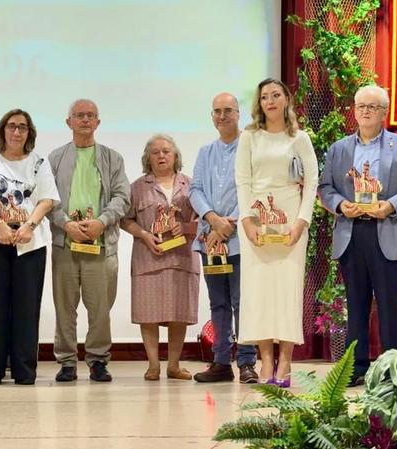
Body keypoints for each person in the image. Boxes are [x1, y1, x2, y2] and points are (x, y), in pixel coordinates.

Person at [322, 84, 397, 386]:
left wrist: (391, 205)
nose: (365, 111)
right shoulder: (339, 148)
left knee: (388, 303)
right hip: (352, 232)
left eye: (372, 107)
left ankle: (392, 368)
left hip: (387, 229)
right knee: (355, 304)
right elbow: (326, 188)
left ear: (384, 112)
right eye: (360, 106)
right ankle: (356, 368)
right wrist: (341, 205)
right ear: (353, 110)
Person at [237, 78, 318, 388]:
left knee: (286, 291)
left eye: (275, 95)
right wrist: (246, 220)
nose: (270, 101)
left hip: (290, 220)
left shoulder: (299, 138)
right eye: (264, 97)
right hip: (257, 218)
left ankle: (285, 361)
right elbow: (243, 180)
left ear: (286, 99)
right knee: (259, 292)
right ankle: (265, 361)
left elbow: (311, 181)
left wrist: (301, 222)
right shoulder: (250, 137)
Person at [0, 109, 59, 385]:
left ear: (29, 132)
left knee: (26, 308)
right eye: (12, 126)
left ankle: (24, 371)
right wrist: (0, 225)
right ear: (2, 131)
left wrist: (28, 227)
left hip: (30, 244)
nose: (17, 132)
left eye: (22, 127)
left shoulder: (38, 162)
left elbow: (47, 200)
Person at [47, 98, 131, 383]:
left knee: (100, 308)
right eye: (79, 115)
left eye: (90, 115)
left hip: (101, 244)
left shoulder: (112, 158)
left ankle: (97, 361)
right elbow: (47, 200)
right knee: (64, 307)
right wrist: (66, 224)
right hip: (65, 243)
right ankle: (67, 361)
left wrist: (101, 222)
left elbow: (122, 197)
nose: (85, 120)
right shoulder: (55, 159)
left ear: (98, 122)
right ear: (68, 121)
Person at [190, 92, 260, 384]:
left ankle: (246, 362)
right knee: (217, 303)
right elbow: (195, 189)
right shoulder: (206, 152)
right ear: (211, 116)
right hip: (211, 240)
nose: (222, 116)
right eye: (217, 111)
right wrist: (212, 220)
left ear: (238, 113)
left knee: (242, 302)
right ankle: (220, 362)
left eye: (227, 110)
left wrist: (228, 222)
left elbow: (255, 189)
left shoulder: (252, 147)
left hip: (239, 239)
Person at [122, 134, 201, 381]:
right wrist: (144, 235)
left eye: (166, 151)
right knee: (149, 314)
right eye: (155, 152)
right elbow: (125, 219)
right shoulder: (137, 187)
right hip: (149, 258)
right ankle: (153, 365)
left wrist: (187, 228)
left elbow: (204, 217)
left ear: (176, 156)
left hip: (182, 258)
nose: (161, 156)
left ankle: (174, 366)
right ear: (148, 158)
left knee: (179, 313)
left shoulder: (191, 185)